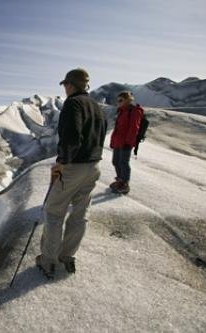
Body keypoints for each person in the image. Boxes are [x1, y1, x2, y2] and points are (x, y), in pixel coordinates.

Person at [36, 68, 107, 278]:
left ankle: (49, 261)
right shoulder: (97, 106)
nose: (64, 88)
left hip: (73, 166)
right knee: (80, 213)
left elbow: (71, 136)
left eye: (65, 84)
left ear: (70, 85)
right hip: (93, 166)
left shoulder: (73, 103)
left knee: (54, 211)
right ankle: (67, 257)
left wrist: (62, 162)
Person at [109, 91, 144, 194]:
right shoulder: (121, 111)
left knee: (123, 162)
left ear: (128, 100)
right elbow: (117, 128)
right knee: (116, 161)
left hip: (126, 143)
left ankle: (125, 184)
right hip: (118, 141)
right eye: (117, 100)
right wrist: (113, 141)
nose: (118, 102)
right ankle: (120, 180)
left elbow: (134, 128)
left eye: (121, 100)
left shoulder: (134, 111)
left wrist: (129, 142)